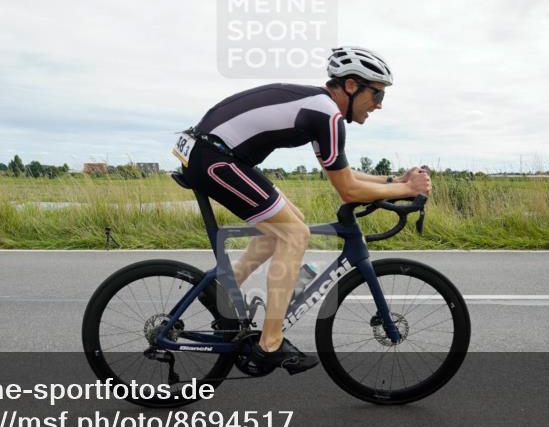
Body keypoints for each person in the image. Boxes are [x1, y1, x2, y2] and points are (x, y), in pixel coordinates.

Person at [175, 46, 432, 374]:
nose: (379, 105)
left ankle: (225, 289)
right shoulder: (327, 114)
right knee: (295, 234)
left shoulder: (320, 109)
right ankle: (270, 343)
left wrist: (394, 181)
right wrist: (407, 190)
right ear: (351, 86)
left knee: (289, 223)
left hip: (212, 152)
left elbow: (344, 175)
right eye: (377, 94)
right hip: (214, 157)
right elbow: (348, 190)